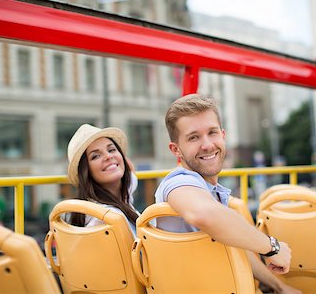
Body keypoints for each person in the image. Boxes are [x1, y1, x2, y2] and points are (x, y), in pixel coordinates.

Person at [155, 94, 300, 293]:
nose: (207, 144)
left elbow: (237, 246)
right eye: (193, 137)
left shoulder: (208, 190)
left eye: (212, 133)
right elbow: (204, 214)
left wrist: (280, 287)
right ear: (176, 150)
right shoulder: (179, 182)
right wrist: (272, 247)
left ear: (223, 135)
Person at [67, 123, 139, 236]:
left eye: (111, 150)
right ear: (86, 171)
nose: (109, 156)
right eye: (96, 156)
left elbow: (131, 172)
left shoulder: (124, 194)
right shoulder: (104, 218)